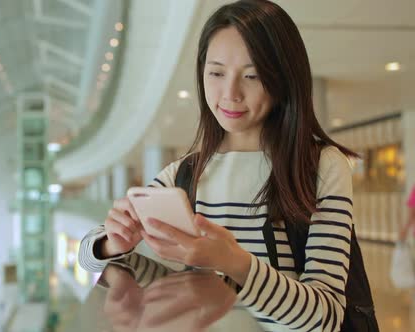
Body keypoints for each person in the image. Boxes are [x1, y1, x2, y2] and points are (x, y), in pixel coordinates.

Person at [79, 0, 360, 331]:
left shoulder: (320, 166)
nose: (230, 93)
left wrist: (234, 263)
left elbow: (325, 316)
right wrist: (114, 242)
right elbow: (88, 254)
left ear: (282, 78)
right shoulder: (185, 173)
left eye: (252, 75)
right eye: (215, 73)